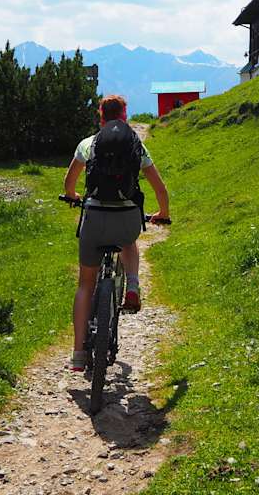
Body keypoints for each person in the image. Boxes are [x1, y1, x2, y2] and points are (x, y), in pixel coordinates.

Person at [63, 95, 170, 372]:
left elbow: (69, 182)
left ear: (100, 117)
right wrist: (163, 213)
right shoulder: (135, 144)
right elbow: (159, 188)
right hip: (127, 219)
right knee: (128, 243)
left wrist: (73, 196)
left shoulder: (88, 144)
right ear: (124, 116)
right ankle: (132, 285)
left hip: (94, 219)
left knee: (85, 285)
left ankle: (78, 354)